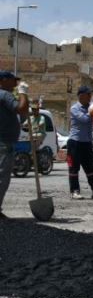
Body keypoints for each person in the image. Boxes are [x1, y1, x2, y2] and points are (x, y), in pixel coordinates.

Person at [67, 86, 93, 199]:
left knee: (91, 167)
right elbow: (85, 119)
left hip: (86, 142)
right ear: (81, 96)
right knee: (74, 167)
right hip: (75, 142)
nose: (91, 97)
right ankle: (74, 191)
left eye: (91, 94)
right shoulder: (74, 108)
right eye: (89, 94)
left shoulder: (90, 106)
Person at [0, 72, 29, 219]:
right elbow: (21, 109)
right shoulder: (4, 95)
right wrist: (23, 93)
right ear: (4, 80)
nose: (16, 84)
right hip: (4, 142)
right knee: (2, 177)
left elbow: (20, 113)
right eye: (13, 81)